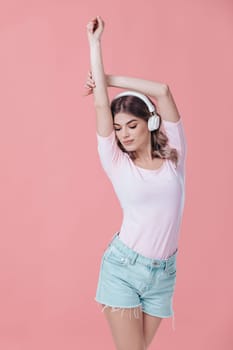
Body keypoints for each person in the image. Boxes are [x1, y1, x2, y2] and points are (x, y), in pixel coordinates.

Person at [84, 15, 187, 350]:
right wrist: (95, 44)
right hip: (123, 268)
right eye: (117, 127)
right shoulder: (116, 162)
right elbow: (101, 103)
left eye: (131, 125)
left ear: (150, 122)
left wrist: (110, 79)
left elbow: (162, 91)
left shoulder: (174, 153)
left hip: (164, 274)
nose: (123, 134)